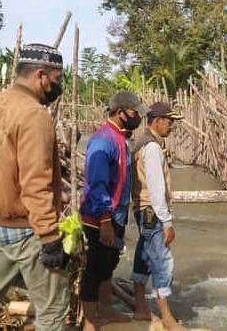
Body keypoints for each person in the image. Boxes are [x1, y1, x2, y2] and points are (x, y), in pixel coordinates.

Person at [0, 43, 69, 331]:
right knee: (53, 311)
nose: (57, 87)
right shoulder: (34, 114)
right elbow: (36, 182)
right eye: (56, 80)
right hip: (26, 228)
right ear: (41, 76)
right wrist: (49, 236)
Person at [79, 91, 148, 331]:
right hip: (99, 217)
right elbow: (98, 184)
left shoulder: (119, 137)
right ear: (120, 113)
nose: (138, 117)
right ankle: (90, 321)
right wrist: (105, 220)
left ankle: (106, 310)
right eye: (135, 113)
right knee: (95, 269)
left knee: (108, 265)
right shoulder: (104, 140)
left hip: (114, 215)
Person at [130, 102, 186, 330]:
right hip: (152, 211)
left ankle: (140, 307)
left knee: (144, 254)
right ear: (158, 120)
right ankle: (167, 317)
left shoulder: (142, 143)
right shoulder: (152, 148)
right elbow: (155, 189)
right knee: (163, 261)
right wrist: (167, 222)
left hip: (141, 209)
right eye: (170, 121)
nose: (172, 126)